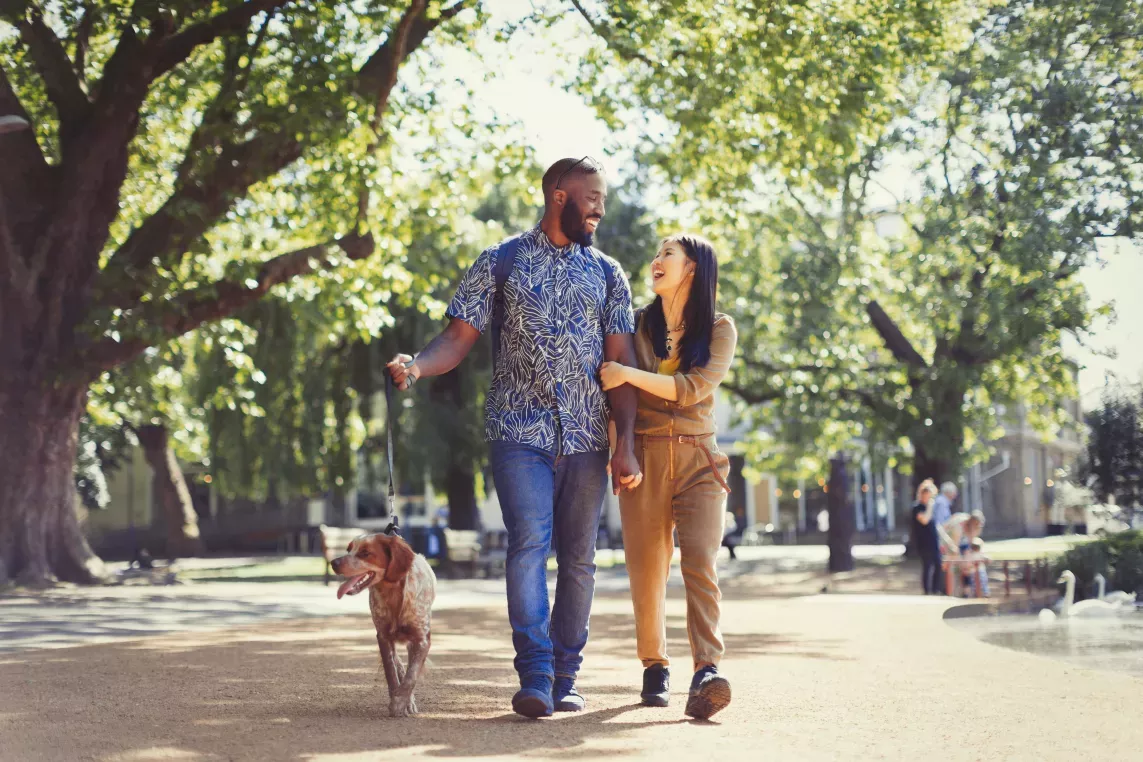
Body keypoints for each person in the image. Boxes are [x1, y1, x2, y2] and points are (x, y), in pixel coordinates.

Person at [386, 157, 642, 718]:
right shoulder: (500, 262)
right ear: (558, 195)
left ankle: (566, 677)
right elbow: (456, 339)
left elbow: (620, 364)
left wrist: (626, 443)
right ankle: (536, 675)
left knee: (578, 559)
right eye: (591, 196)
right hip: (517, 429)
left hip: (587, 435)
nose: (599, 207)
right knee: (528, 544)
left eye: (602, 198)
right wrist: (418, 367)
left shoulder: (607, 273)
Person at [599, 233, 738, 720]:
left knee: (700, 563)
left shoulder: (720, 329)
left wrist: (627, 373)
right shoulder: (635, 325)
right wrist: (621, 452)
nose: (656, 261)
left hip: (701, 460)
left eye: (667, 254)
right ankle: (654, 664)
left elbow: (693, 388)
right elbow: (617, 400)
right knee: (647, 568)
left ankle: (707, 668)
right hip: (644, 456)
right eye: (656, 253)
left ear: (693, 268)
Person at [910, 480, 940, 594]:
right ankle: (927, 590)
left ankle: (935, 589)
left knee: (938, 564)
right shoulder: (918, 508)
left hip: (933, 541)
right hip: (924, 542)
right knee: (927, 566)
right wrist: (930, 507)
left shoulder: (929, 508)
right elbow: (925, 520)